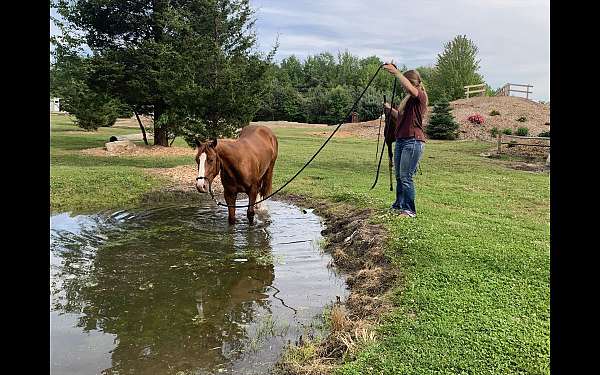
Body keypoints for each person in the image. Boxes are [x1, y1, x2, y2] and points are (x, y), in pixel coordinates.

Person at [382, 63, 428, 218]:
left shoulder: (419, 96)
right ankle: (399, 205)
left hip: (413, 141)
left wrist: (396, 73)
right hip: (402, 141)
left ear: (413, 83)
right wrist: (390, 110)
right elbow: (401, 117)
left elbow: (409, 89)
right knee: (399, 176)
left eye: (406, 83)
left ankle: (409, 210)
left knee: (406, 177)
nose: (404, 89)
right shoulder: (408, 101)